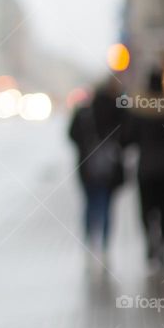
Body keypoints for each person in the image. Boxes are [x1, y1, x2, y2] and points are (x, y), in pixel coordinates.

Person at [123, 68, 164, 270]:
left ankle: (150, 244)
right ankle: (162, 247)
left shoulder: (140, 109)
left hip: (146, 169)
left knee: (146, 210)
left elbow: (127, 138)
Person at [68, 79, 126, 258]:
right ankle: (105, 243)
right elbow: (127, 135)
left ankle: (89, 240)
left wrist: (86, 146)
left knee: (90, 203)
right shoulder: (117, 112)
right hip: (110, 166)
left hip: (87, 166)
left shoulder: (84, 112)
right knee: (106, 204)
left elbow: (71, 135)